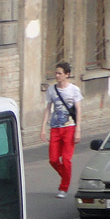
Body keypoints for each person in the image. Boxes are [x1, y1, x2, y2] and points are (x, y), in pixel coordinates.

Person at [39, 61, 82, 198]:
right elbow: (48, 109)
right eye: (56, 73)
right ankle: (66, 176)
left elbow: (78, 110)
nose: (57, 75)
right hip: (55, 127)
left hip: (69, 127)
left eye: (60, 73)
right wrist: (43, 128)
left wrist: (78, 129)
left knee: (66, 159)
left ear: (67, 75)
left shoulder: (74, 90)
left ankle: (64, 187)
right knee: (53, 159)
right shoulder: (52, 90)